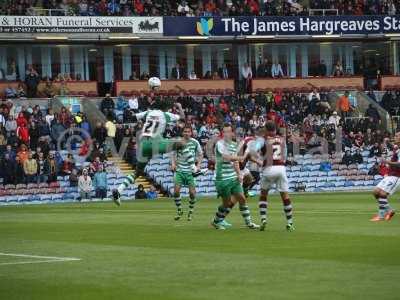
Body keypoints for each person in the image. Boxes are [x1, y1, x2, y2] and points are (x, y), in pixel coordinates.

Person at [112, 102, 186, 205]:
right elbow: (182, 119)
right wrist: (180, 107)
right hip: (155, 142)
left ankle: (119, 190)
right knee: (182, 142)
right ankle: (191, 169)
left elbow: (132, 117)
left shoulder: (148, 112)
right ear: (165, 109)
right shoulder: (165, 115)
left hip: (143, 144)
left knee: (137, 172)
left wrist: (129, 112)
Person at [210, 123, 259, 230]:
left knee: (242, 198)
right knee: (226, 203)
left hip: (233, 177)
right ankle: (216, 221)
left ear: (232, 133)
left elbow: (235, 162)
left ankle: (249, 223)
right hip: (222, 178)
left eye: (228, 131)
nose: (227, 134)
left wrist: (238, 174)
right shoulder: (220, 144)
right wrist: (240, 157)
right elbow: (226, 157)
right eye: (224, 132)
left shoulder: (233, 145)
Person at [256, 121, 294, 231]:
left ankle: (263, 219)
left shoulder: (263, 139)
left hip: (269, 169)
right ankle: (290, 222)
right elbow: (285, 154)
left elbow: (254, 149)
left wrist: (260, 158)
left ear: (267, 130)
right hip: (281, 169)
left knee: (263, 194)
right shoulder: (282, 139)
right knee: (285, 196)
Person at [171, 125, 203, 221]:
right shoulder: (178, 142)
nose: (186, 133)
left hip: (190, 171)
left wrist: (198, 166)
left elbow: (201, 154)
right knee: (176, 192)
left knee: (192, 193)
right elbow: (173, 154)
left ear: (191, 133)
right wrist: (173, 164)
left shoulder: (195, 142)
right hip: (180, 170)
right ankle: (179, 210)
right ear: (182, 132)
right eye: (185, 131)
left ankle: (190, 212)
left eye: (188, 132)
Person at [370, 134, 400, 222]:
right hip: (391, 174)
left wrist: (388, 162)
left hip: (397, 176)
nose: (395, 137)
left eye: (397, 136)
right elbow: (392, 146)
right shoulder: (397, 147)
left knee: (382, 194)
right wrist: (387, 142)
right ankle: (389, 211)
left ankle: (381, 215)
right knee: (375, 191)